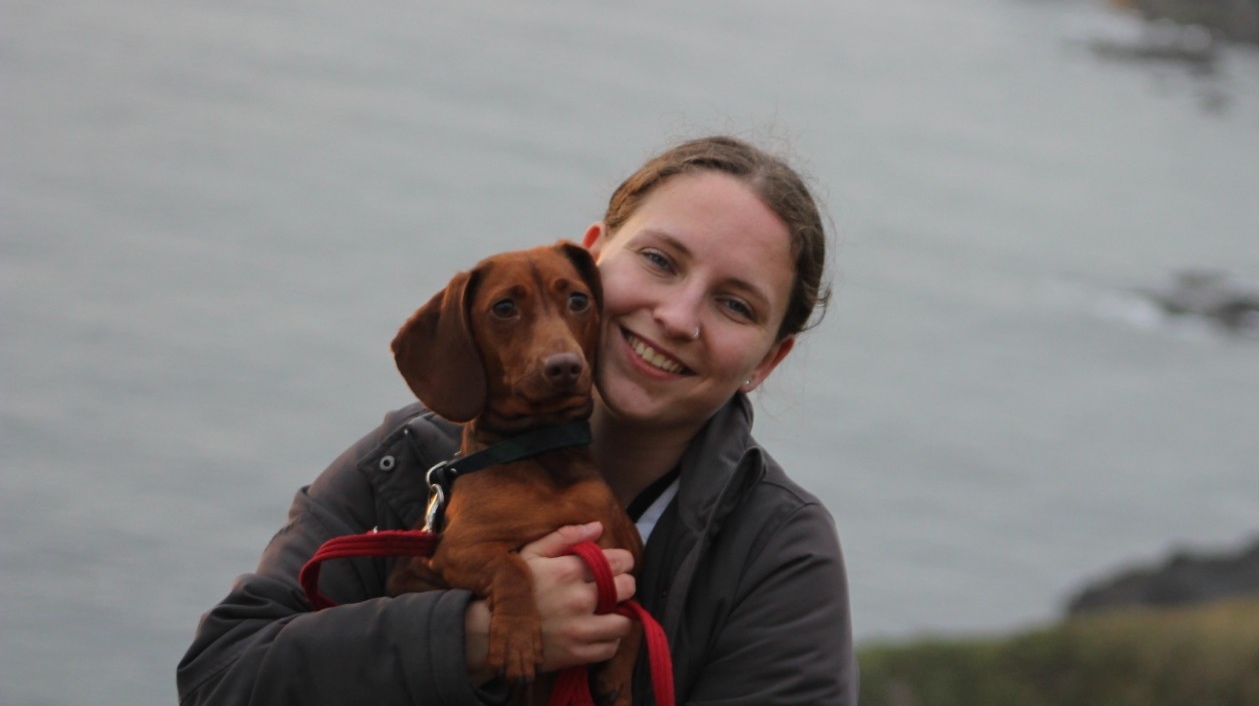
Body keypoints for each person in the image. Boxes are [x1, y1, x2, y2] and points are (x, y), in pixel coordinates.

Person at [178, 136, 855, 705]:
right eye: (658, 260)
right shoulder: (412, 457)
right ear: (591, 260)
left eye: (736, 306)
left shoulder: (778, 553)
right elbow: (221, 677)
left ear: (770, 358)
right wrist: (470, 636)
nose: (677, 318)